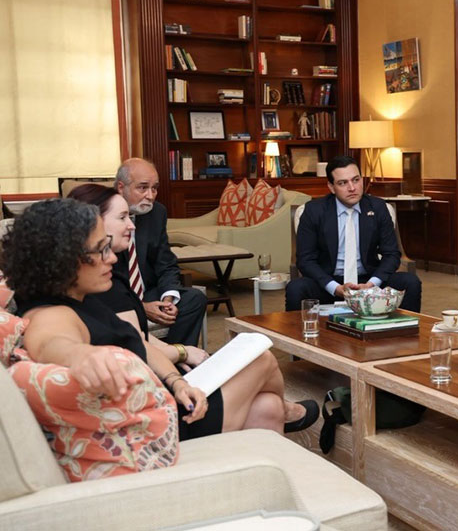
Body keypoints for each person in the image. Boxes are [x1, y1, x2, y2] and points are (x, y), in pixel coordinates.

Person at [1, 198, 319, 439]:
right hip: (163, 425)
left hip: (169, 396)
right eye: (101, 250)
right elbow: (52, 342)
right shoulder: (49, 313)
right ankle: (289, 412)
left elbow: (139, 344)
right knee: (261, 359)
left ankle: (260, 470)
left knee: (266, 406)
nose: (111, 258)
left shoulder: (78, 297)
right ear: (65, 259)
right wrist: (81, 356)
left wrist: (177, 382)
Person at [285, 155, 422, 312]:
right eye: (343, 183)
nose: (352, 188)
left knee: (410, 282)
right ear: (331, 187)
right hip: (328, 282)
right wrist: (335, 288)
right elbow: (305, 260)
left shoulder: (378, 208)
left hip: (368, 281)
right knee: (296, 288)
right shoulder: (313, 211)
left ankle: (405, 328)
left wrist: (371, 284)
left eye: (356, 180)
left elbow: (391, 254)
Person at [115, 158, 206, 347]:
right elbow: (102, 281)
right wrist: (141, 307)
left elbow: (166, 263)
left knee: (194, 298)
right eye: (142, 188)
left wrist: (168, 297)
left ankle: (178, 358)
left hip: (146, 290)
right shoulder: (102, 213)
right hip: (115, 295)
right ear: (121, 188)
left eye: (154, 188)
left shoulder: (156, 213)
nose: (150, 196)